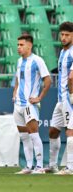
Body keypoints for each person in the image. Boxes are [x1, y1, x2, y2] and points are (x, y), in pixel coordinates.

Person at [12, 34, 51, 174]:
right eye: (18, 45)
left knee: (34, 134)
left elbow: (48, 80)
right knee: (24, 136)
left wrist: (39, 97)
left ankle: (39, 166)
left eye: (21, 45)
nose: (18, 47)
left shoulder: (37, 61)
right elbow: (18, 78)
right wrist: (14, 92)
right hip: (18, 105)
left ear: (30, 45)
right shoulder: (19, 61)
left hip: (30, 104)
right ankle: (28, 166)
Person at [46, 22, 73, 174]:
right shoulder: (63, 52)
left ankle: (70, 167)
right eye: (62, 34)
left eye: (67, 35)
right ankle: (52, 165)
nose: (63, 38)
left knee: (70, 132)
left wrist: (72, 94)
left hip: (69, 99)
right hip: (61, 99)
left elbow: (71, 77)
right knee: (53, 131)